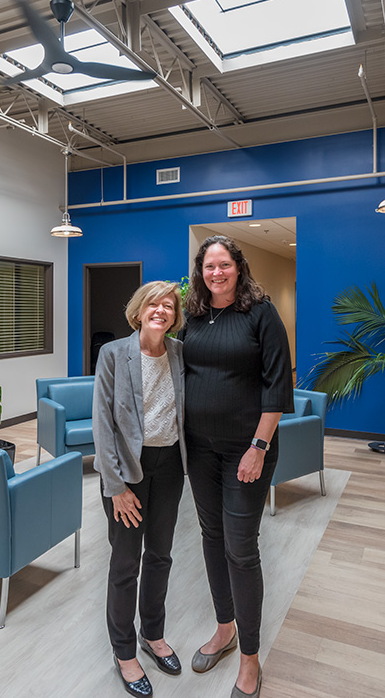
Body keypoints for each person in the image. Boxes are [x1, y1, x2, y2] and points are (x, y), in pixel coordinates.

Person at [180, 235, 293, 698]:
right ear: (200, 271)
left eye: (224, 265)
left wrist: (258, 446)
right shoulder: (193, 316)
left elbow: (277, 384)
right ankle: (224, 629)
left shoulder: (261, 313)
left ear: (238, 268)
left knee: (240, 548)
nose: (217, 273)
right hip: (200, 450)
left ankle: (251, 658)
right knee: (211, 537)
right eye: (209, 266)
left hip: (248, 450)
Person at [93, 281, 187, 698]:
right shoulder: (113, 354)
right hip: (126, 472)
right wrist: (116, 487)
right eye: (155, 304)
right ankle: (124, 652)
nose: (161, 311)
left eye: (169, 306)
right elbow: (103, 424)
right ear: (139, 310)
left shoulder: (180, 353)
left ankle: (153, 634)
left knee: (161, 555)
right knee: (126, 561)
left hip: (169, 466)